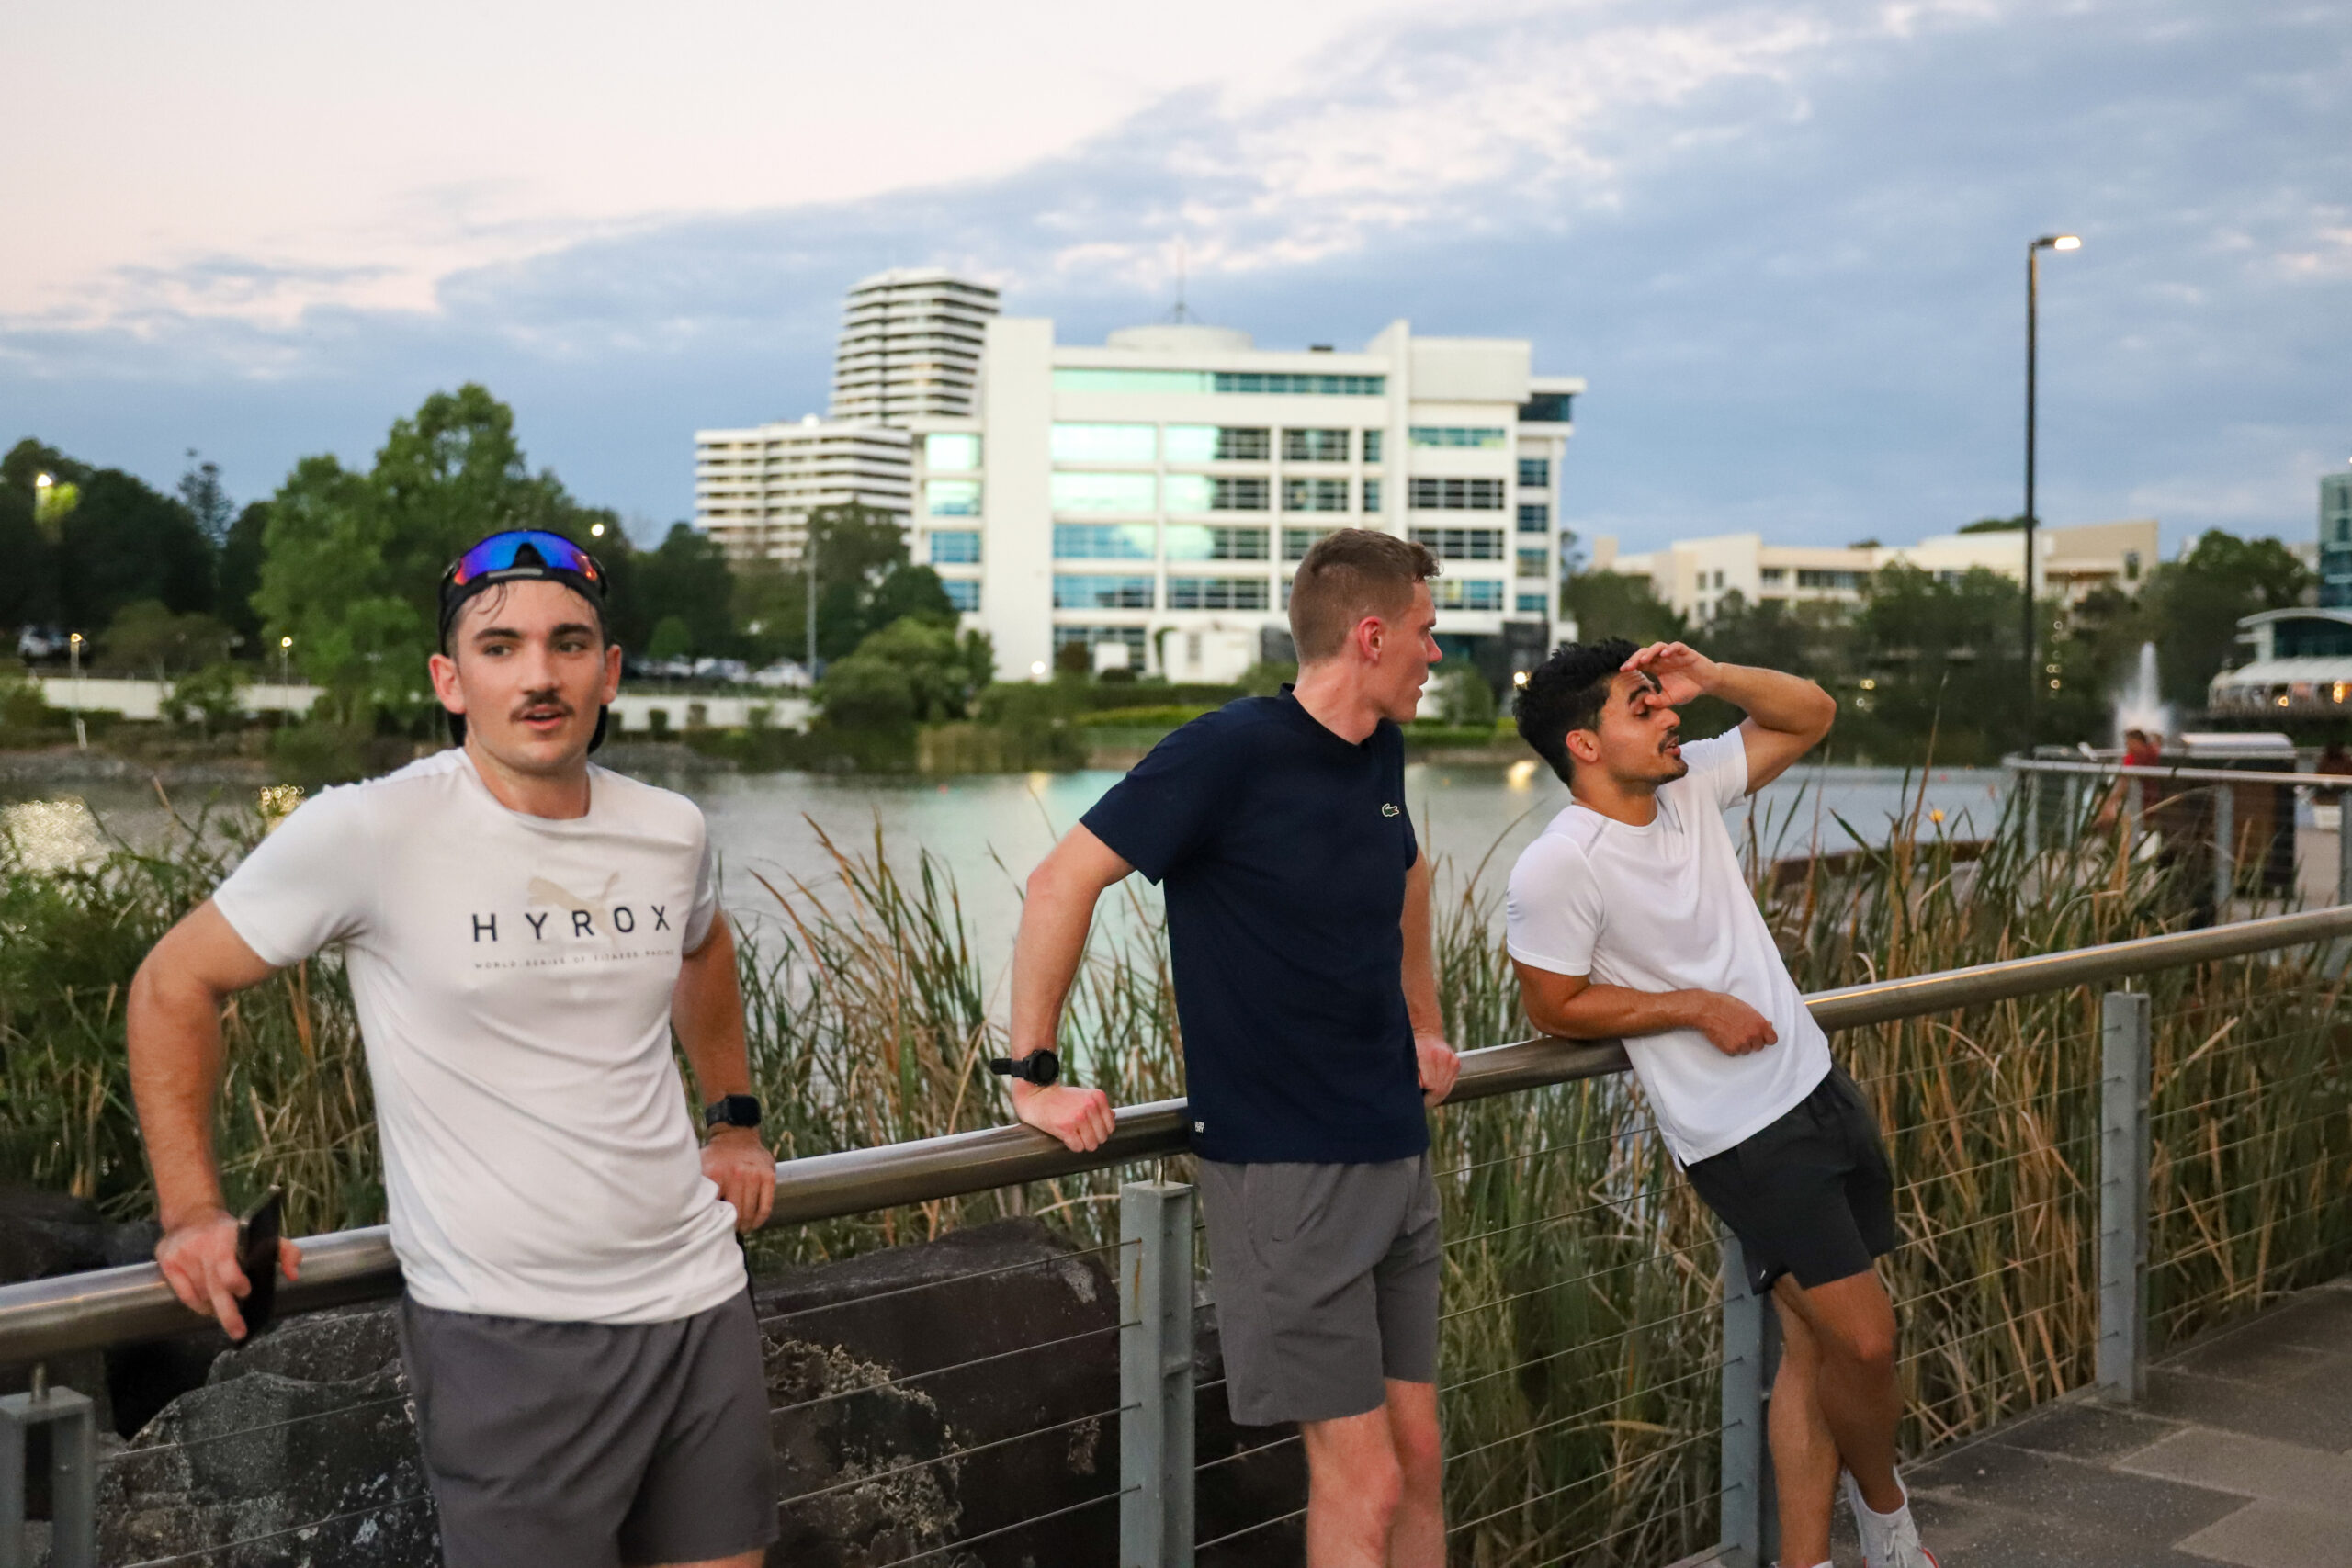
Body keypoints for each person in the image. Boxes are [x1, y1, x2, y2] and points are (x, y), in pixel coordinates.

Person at [126, 530, 781, 1568]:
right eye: (500, 647)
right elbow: (173, 983)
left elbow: (703, 946)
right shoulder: (370, 830)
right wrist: (192, 1210)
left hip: (700, 1303)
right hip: (504, 1334)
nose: (539, 675)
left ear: (610, 672)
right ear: (449, 679)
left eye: (570, 644)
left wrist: (734, 1120)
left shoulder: (670, 828)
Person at [1004, 528, 1462, 1568]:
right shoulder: (1227, 750)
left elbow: (1408, 872)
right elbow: (1060, 881)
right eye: (1427, 632)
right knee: (1363, 1481)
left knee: (1419, 1458)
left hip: (1394, 1150)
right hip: (1285, 1172)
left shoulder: (1379, 749)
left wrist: (1425, 1023)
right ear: (1372, 635)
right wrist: (1033, 1076)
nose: (1436, 654)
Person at [1503, 638, 1939, 1568]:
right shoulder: (1558, 864)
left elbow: (1812, 713)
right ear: (1584, 744)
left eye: (1665, 700)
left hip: (1816, 1084)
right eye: (1643, 707)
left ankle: (1805, 1562)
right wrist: (1693, 1006)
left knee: (1814, 1346)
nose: (1671, 716)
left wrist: (1713, 676)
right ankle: (1890, 1525)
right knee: (1867, 1342)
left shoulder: (1689, 786)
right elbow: (1552, 1004)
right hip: (1741, 1137)